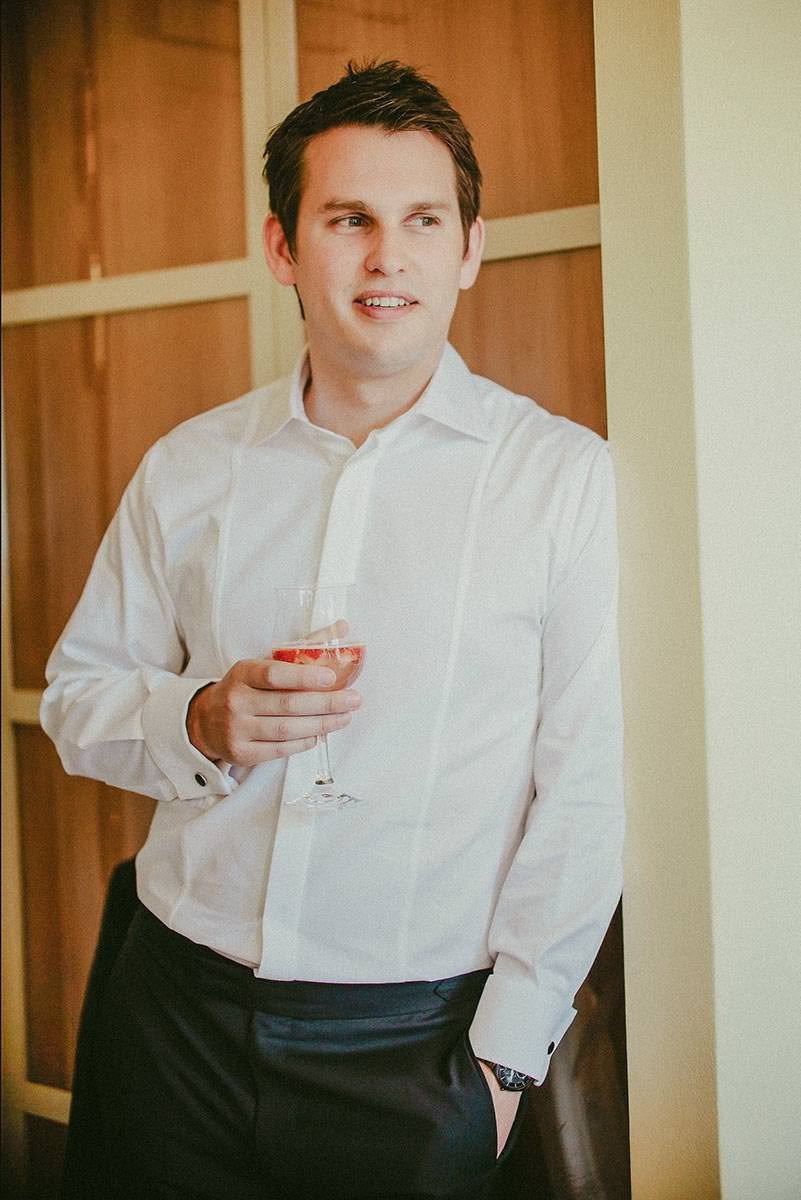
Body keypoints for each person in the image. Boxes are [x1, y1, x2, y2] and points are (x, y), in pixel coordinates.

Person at [41, 60, 624, 1200]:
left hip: (419, 1050)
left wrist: (503, 1066)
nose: (385, 256)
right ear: (283, 247)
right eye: (348, 219)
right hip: (173, 1013)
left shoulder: (560, 479)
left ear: (469, 247)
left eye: (421, 220)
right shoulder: (189, 468)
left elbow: (588, 789)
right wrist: (199, 717)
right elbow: (76, 699)